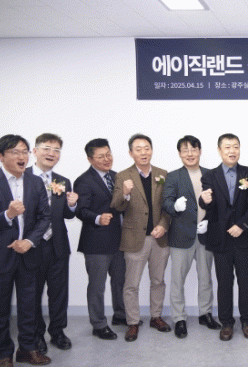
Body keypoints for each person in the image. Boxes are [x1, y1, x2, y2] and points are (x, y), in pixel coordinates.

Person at [0, 135, 51, 367]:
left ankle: (27, 349)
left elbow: (44, 217)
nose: (22, 157)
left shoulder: (35, 182)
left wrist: (29, 241)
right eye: (15, 152)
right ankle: (3, 356)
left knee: (29, 307)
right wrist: (8, 214)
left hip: (28, 254)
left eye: (25, 151)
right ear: (0, 156)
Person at [111, 134, 171, 342]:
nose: (143, 152)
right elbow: (117, 206)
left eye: (147, 148)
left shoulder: (163, 174)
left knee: (158, 281)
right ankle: (133, 322)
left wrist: (163, 225)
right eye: (138, 149)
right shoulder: (122, 176)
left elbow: (168, 206)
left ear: (151, 150)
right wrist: (125, 193)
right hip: (135, 239)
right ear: (131, 153)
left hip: (159, 238)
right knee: (131, 284)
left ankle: (156, 317)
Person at [200, 133, 248, 341]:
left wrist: (242, 225)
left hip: (244, 236)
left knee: (246, 281)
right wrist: (204, 200)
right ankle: (226, 322)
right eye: (227, 147)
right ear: (219, 150)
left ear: (239, 149)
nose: (232, 151)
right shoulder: (209, 176)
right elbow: (207, 204)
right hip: (221, 238)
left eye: (235, 146)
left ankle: (247, 321)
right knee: (224, 282)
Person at [162, 135, 220, 339]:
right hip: (181, 236)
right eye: (185, 150)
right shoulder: (173, 176)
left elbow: (218, 204)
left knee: (205, 278)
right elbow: (166, 202)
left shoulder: (211, 174)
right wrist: (175, 207)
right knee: (177, 280)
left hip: (205, 234)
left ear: (200, 151)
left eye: (193, 149)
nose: (190, 153)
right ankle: (179, 318)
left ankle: (205, 313)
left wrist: (210, 221)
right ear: (179, 154)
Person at [26, 133, 78, 353]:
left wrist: (72, 205)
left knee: (59, 293)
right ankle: (37, 334)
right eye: (46, 148)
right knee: (33, 294)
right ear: (35, 151)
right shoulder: (23, 177)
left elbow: (67, 214)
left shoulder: (62, 181)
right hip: (32, 245)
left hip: (58, 245)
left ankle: (57, 331)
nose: (51, 153)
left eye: (56, 150)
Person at [74, 138, 126, 341]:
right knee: (97, 286)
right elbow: (81, 210)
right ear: (90, 159)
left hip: (119, 240)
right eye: (101, 156)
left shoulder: (116, 177)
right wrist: (97, 218)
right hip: (96, 243)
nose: (107, 159)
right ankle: (98, 324)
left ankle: (120, 315)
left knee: (120, 281)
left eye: (108, 154)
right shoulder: (83, 181)